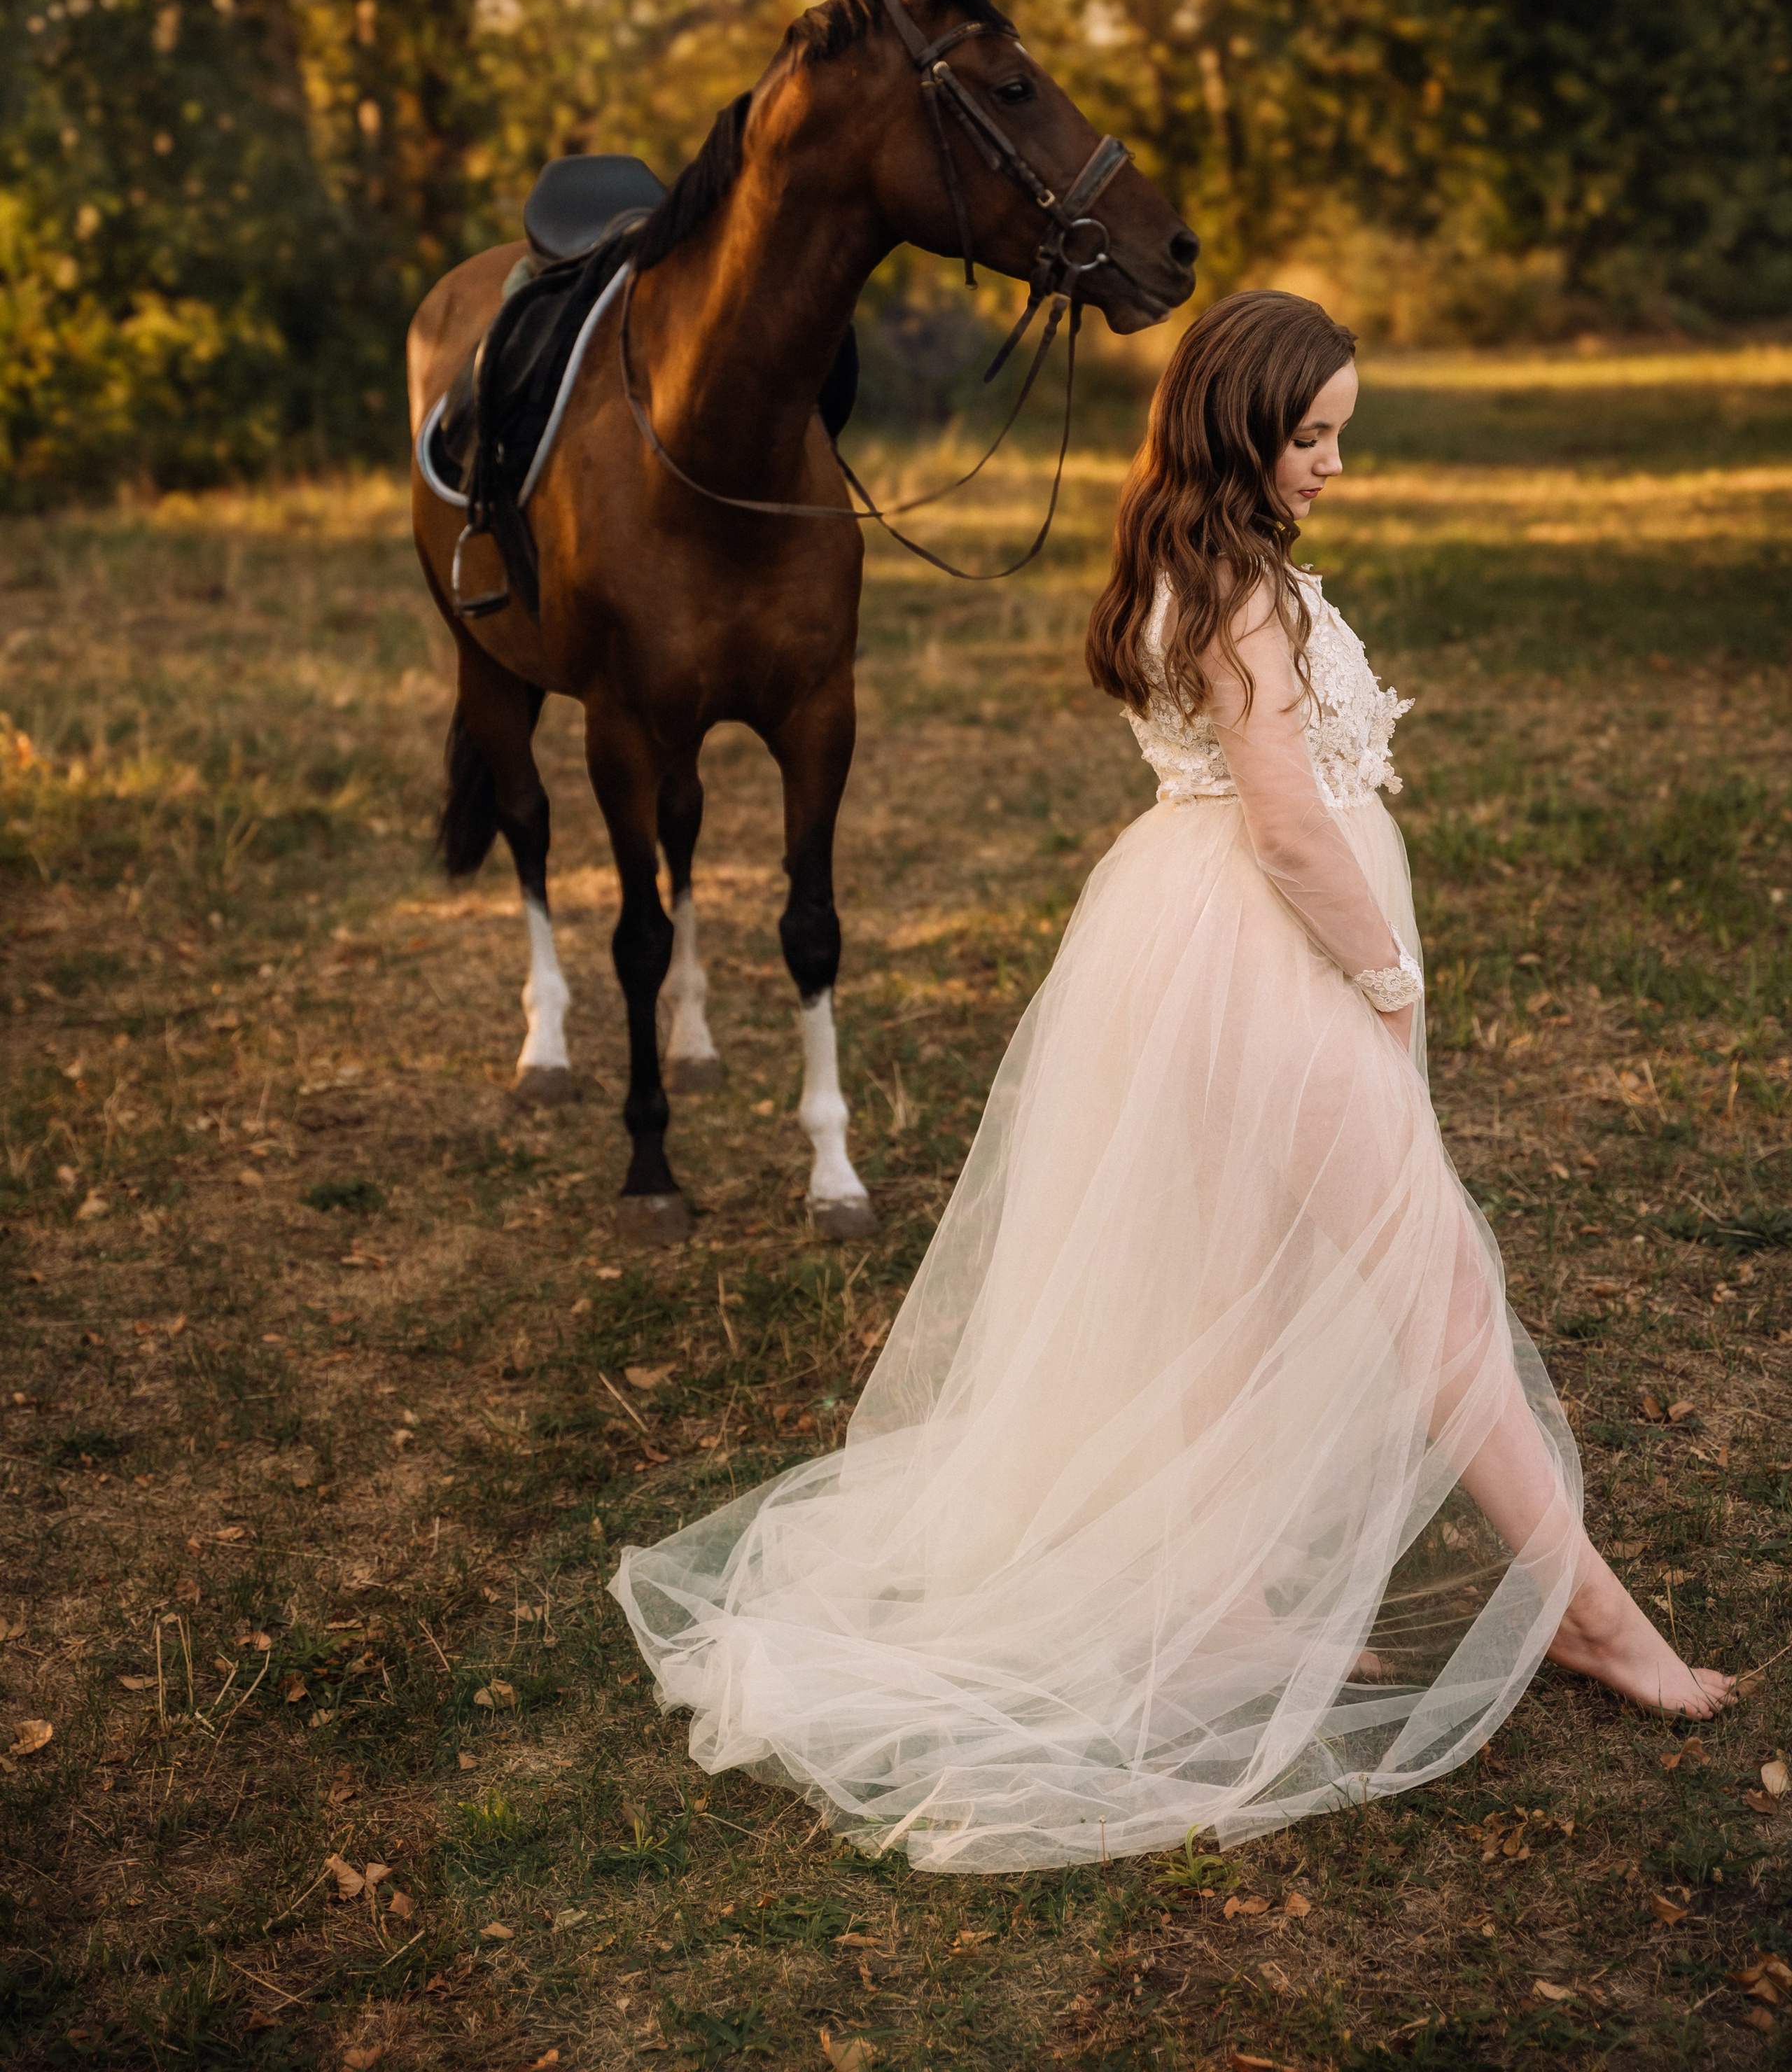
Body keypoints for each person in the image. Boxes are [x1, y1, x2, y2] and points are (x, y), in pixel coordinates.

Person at [611, 290, 1730, 1875]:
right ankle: (1596, 1621)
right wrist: (1388, 977)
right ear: (1236, 423)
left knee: (1229, 1287)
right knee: (1430, 1290)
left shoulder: (1186, 559)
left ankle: (1229, 1614)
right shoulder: (1242, 600)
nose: (1333, 461)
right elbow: (1283, 820)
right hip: (1263, 948)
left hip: (1179, 940)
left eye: (1342, 430)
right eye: (1311, 432)